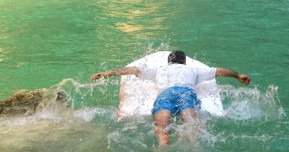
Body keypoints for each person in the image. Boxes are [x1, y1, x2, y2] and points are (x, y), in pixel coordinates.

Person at [90, 50, 251, 145]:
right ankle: (193, 143)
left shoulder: (158, 70)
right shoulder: (194, 70)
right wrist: (238, 75)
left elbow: (132, 70)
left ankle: (162, 139)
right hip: (186, 92)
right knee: (191, 125)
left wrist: (107, 73)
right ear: (184, 62)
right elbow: (219, 71)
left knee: (161, 126)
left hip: (165, 93)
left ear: (168, 63)